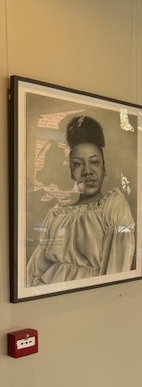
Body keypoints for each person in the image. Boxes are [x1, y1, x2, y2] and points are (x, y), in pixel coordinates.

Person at [27, 115, 135, 286]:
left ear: (104, 168)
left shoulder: (113, 207)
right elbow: (34, 270)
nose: (87, 171)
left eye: (94, 162)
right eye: (78, 164)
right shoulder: (57, 214)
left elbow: (117, 272)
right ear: (71, 172)